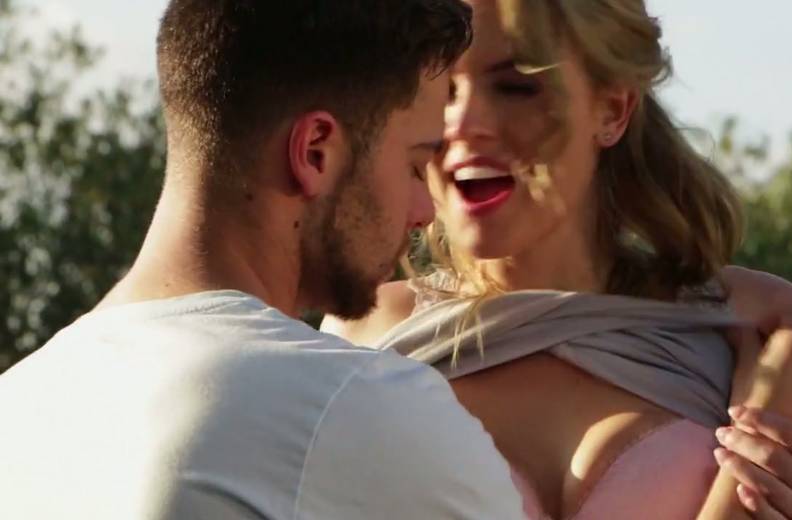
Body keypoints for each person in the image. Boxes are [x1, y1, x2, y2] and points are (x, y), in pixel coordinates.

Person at [323, 0, 792, 518]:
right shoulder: (359, 337)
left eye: (516, 87)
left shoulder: (758, 321)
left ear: (612, 109)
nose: (464, 123)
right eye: (443, 91)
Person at [0, 1, 531, 518]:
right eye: (415, 166)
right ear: (315, 151)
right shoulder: (353, 407)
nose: (424, 211)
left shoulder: (21, 403)